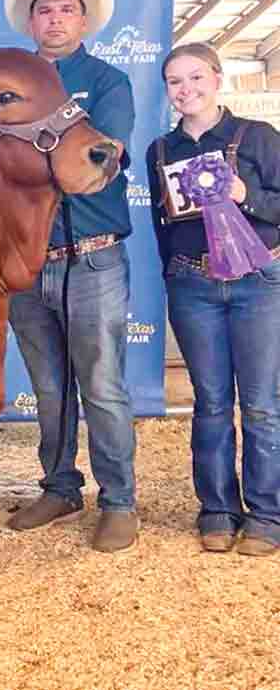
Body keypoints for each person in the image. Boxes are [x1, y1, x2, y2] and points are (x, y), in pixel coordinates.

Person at [1, 0, 138, 551]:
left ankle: (119, 500)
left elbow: (100, 162)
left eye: (65, 10)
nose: (54, 19)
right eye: (44, 10)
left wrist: (36, 160)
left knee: (102, 385)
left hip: (93, 257)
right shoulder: (7, 85)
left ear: (83, 20)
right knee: (50, 387)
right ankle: (59, 487)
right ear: (31, 21)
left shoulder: (107, 81)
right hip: (27, 258)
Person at [146, 43, 280, 557]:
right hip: (192, 285)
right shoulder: (162, 151)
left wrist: (248, 197)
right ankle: (217, 509)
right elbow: (163, 225)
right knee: (211, 403)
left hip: (258, 281)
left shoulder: (259, 137)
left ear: (218, 79)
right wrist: (172, 275)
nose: (187, 90)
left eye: (196, 78)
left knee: (263, 404)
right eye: (175, 82)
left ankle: (267, 515)